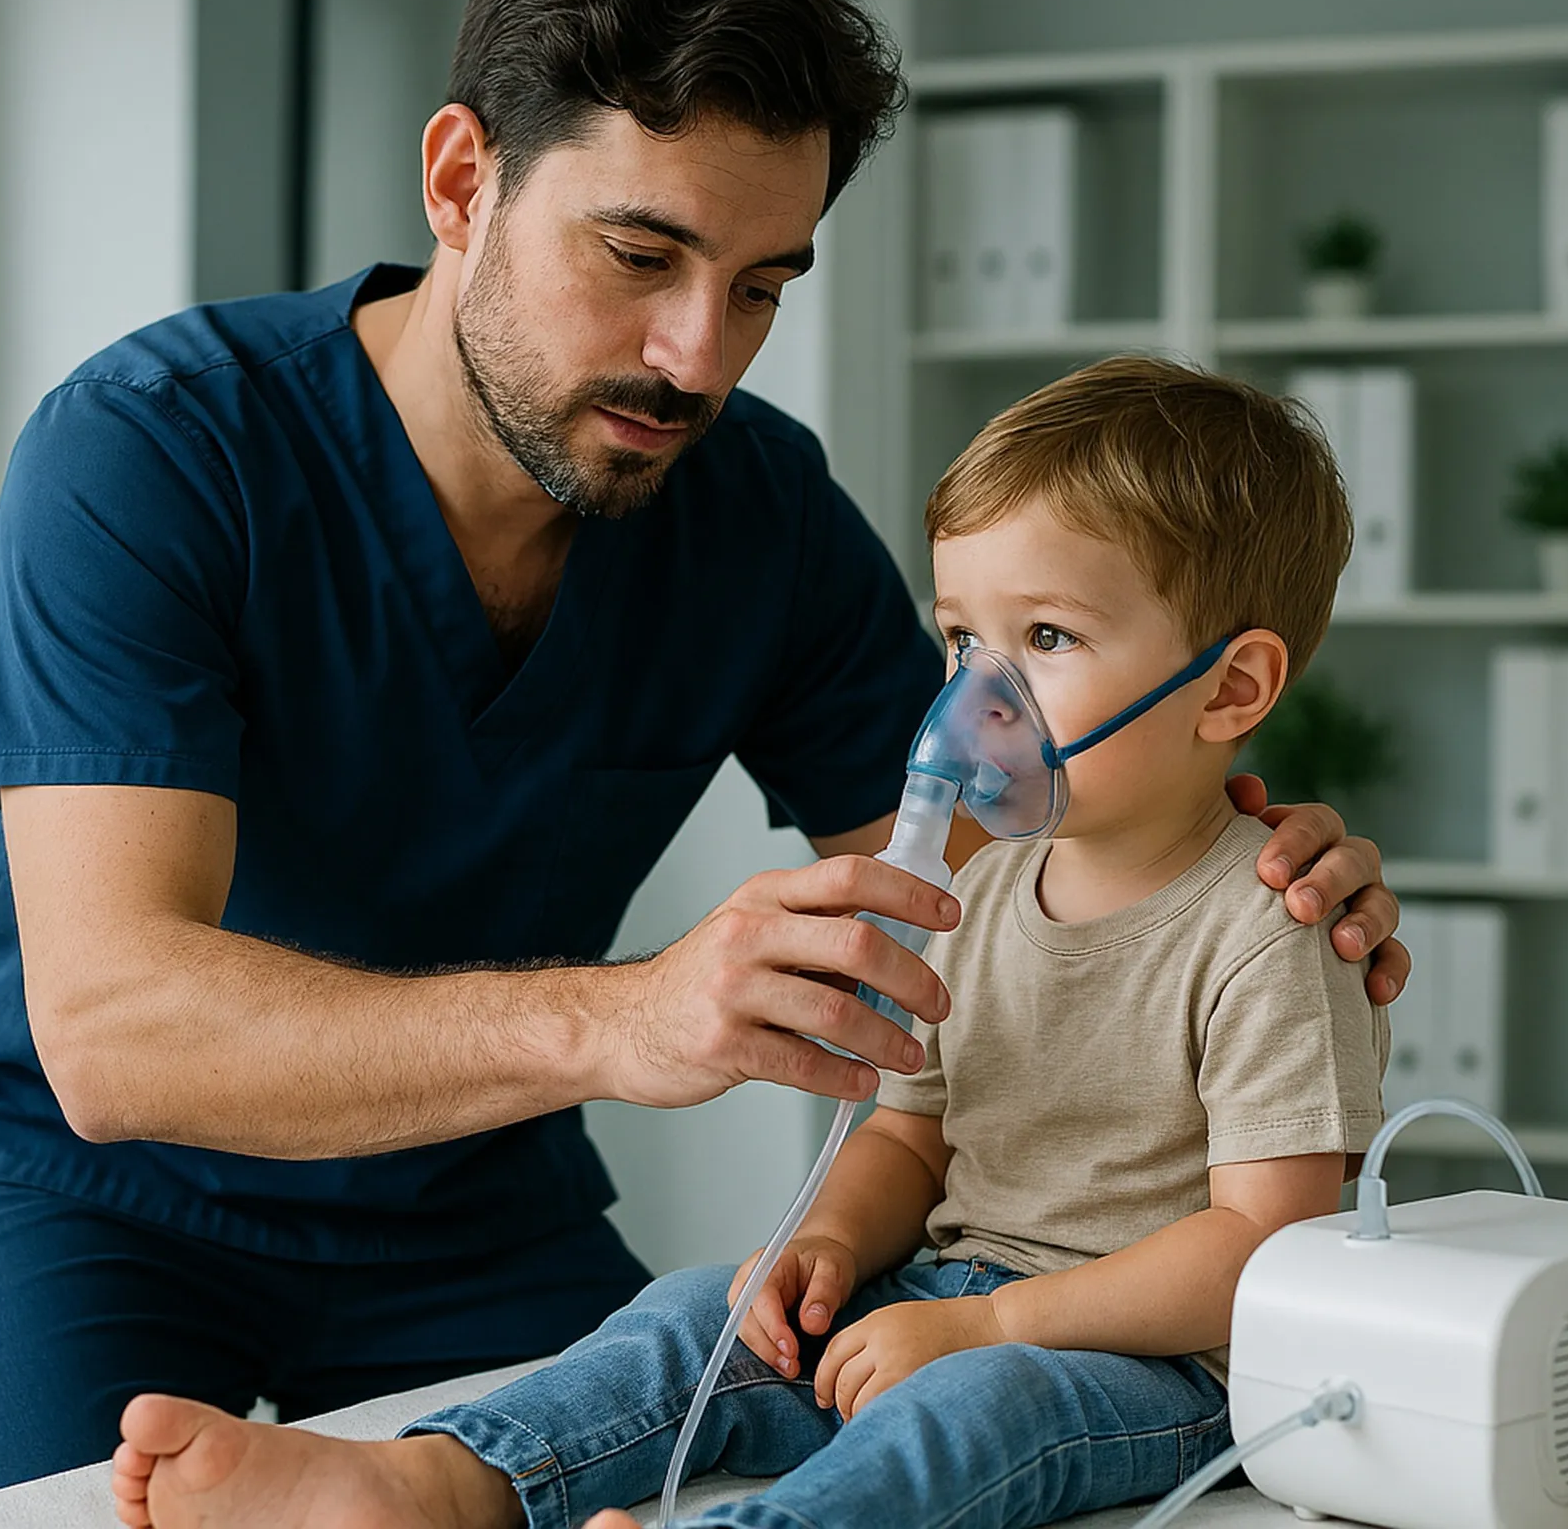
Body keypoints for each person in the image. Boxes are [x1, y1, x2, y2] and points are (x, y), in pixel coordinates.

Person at [0, 0, 1403, 1497]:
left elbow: (995, 853)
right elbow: (110, 1038)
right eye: (641, 256)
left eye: (760, 286)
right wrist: (630, 1013)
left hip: (472, 1196)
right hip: (96, 1196)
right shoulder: (153, 455)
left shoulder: (754, 510)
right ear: (462, 182)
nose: (697, 358)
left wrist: (1237, 862)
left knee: (658, 1428)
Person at [110, 355, 1389, 1529]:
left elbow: (1260, 1249)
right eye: (960, 637)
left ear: (1229, 687)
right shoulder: (978, 893)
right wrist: (823, 1244)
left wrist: (1001, 1324)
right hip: (950, 1298)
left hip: (1142, 1362)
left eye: (1045, 640)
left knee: (967, 1413)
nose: (968, 699)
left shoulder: (1265, 928)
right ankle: (434, 1481)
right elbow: (907, 1133)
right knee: (696, 1314)